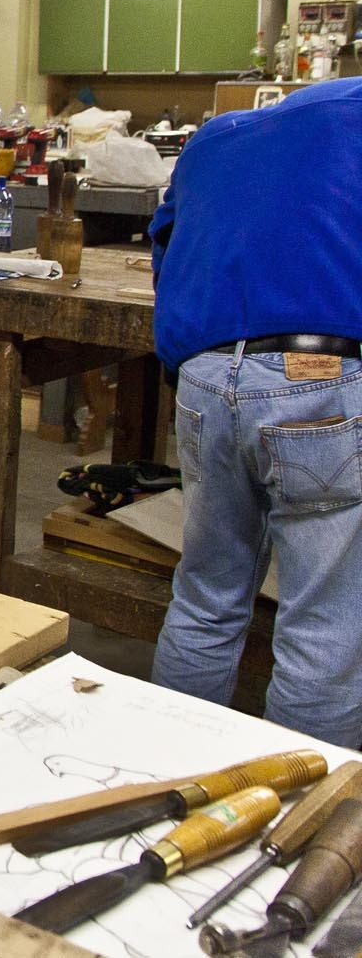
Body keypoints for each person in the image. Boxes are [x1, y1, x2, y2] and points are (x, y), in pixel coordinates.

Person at [147, 78, 362, 745]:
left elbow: (165, 247)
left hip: (207, 379)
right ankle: (298, 828)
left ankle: (161, 778)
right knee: (325, 625)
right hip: (317, 376)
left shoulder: (218, 136)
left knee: (206, 600)